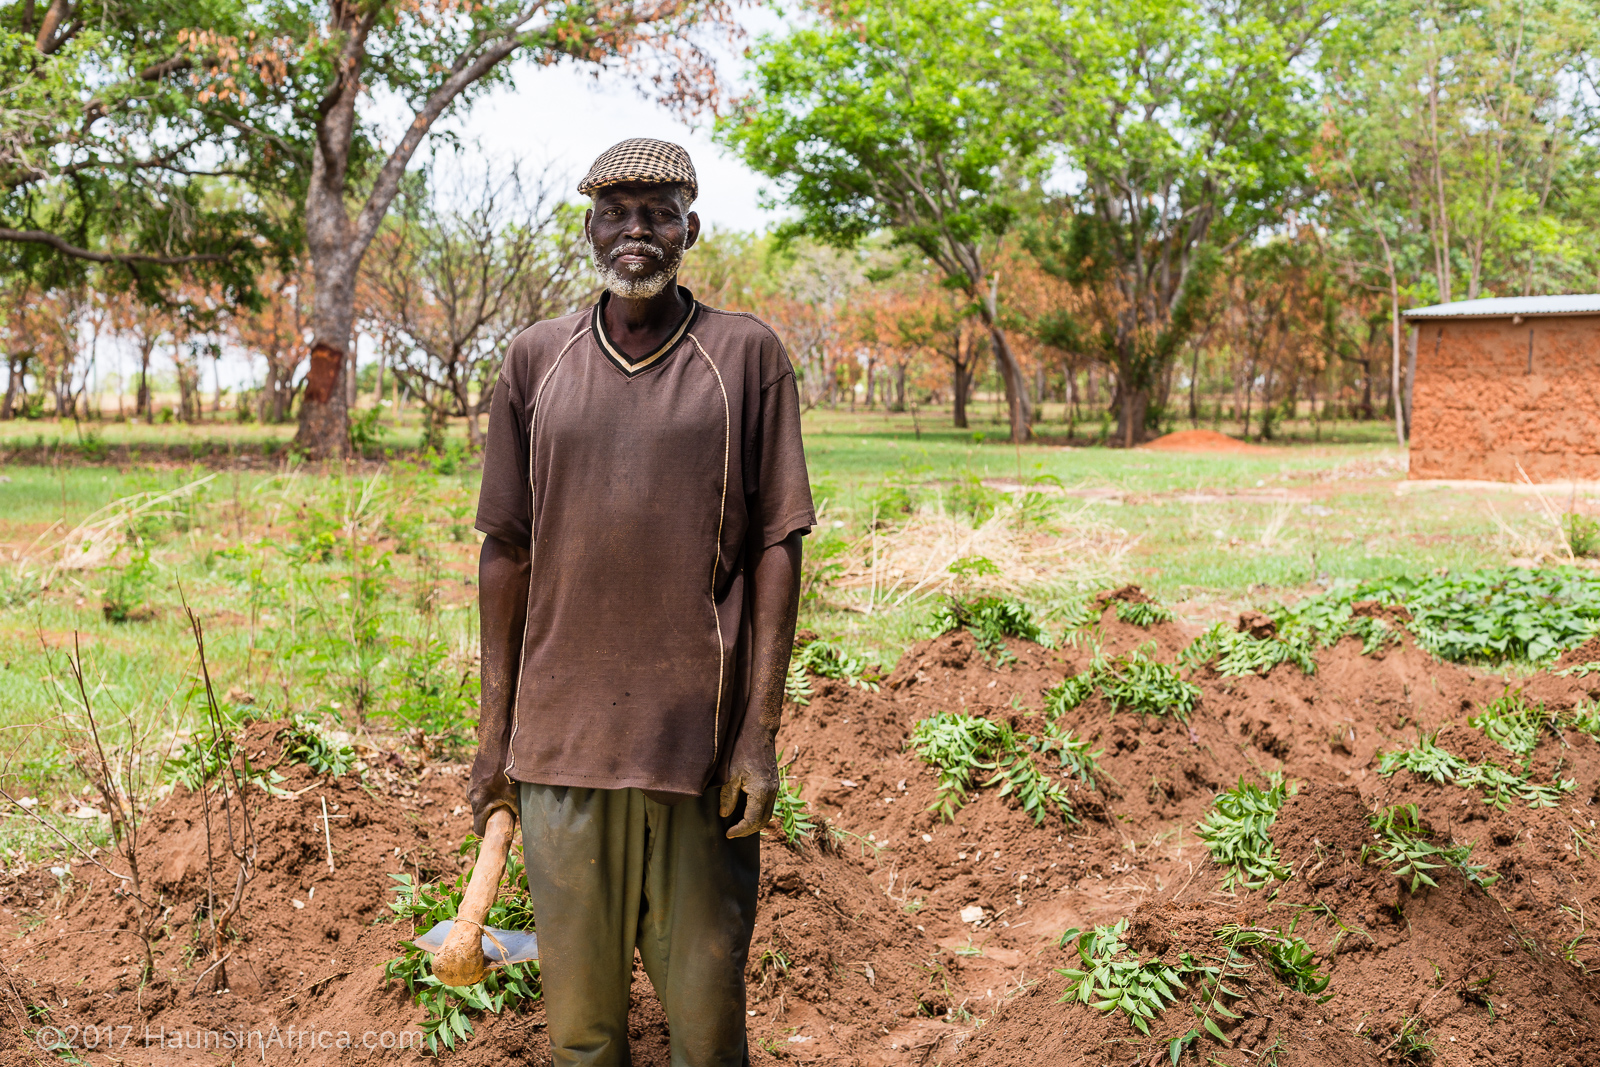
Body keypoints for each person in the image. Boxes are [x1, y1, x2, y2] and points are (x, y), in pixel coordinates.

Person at [469, 138, 815, 1067]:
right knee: (582, 1033)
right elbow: (506, 552)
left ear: (689, 228)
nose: (636, 230)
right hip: (559, 752)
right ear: (589, 227)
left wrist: (758, 735)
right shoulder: (534, 360)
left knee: (706, 1026)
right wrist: (493, 735)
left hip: (694, 754)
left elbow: (779, 550)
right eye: (616, 211)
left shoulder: (745, 356)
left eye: (658, 211)